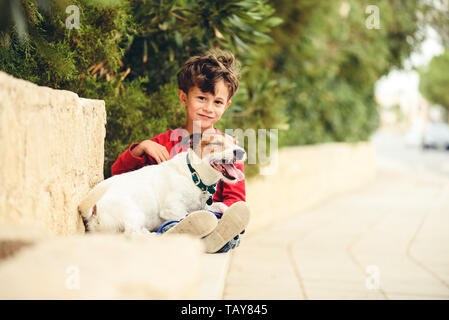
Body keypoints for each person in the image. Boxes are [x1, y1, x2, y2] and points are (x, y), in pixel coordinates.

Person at [110, 48, 250, 253]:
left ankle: (210, 239)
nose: (209, 108)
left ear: (226, 106)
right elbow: (119, 175)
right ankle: (178, 236)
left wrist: (219, 215)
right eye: (202, 98)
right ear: (183, 98)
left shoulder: (228, 150)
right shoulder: (165, 143)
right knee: (167, 224)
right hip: (167, 222)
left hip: (211, 222)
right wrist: (141, 148)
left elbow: (235, 199)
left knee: (224, 228)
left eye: (217, 102)